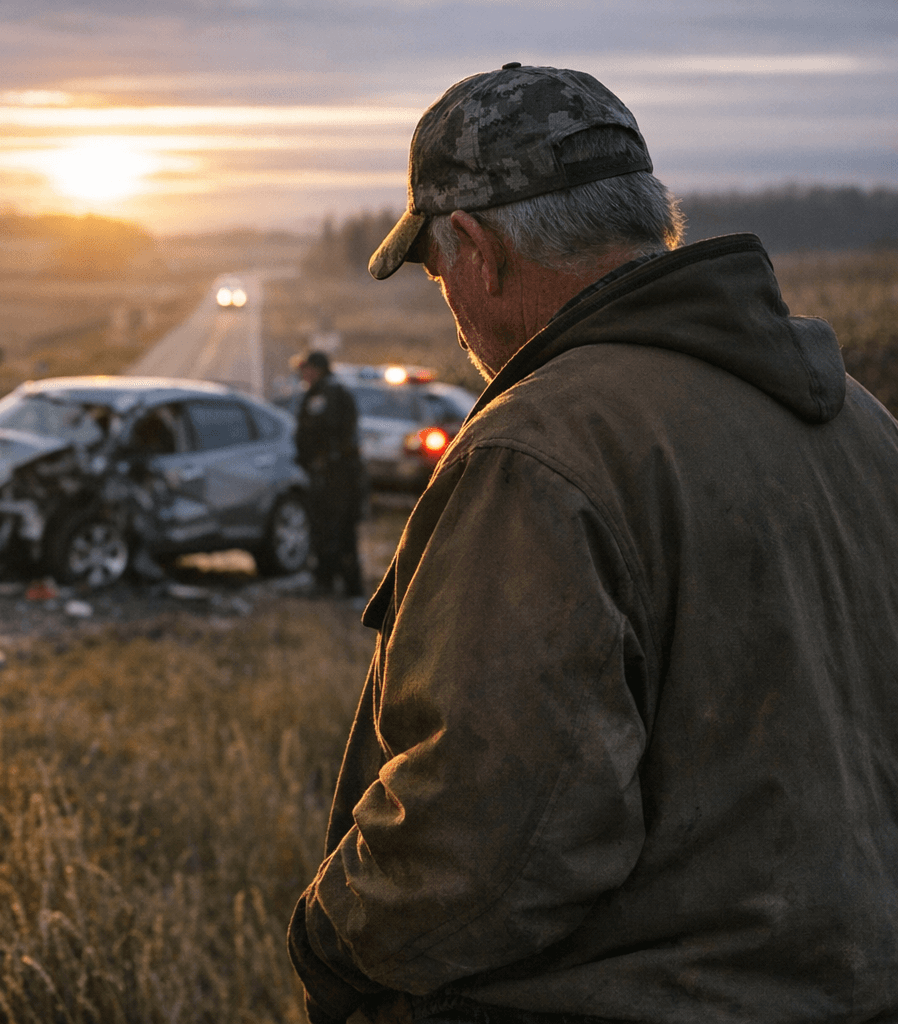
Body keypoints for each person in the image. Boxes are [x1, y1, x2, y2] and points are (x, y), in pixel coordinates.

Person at [287, 64, 898, 1022]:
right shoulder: (858, 421)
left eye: (438, 271)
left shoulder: (537, 450)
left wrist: (332, 941)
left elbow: (489, 842)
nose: (451, 307)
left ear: (478, 251)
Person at [293, 350, 364, 598]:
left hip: (335, 476)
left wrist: (321, 461)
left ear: (317, 369)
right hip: (335, 474)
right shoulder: (327, 392)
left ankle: (333, 583)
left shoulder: (326, 395)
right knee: (334, 530)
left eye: (306, 368)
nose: (303, 374)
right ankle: (338, 583)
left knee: (333, 530)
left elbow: (327, 433)